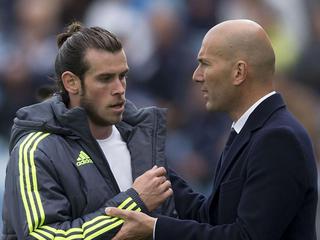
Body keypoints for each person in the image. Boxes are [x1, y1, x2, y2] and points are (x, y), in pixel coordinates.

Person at [105, 19, 318, 240]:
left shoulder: (278, 139)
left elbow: (247, 237)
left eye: (205, 64)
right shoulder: (251, 130)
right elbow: (211, 218)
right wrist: (150, 165)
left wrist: (156, 229)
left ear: (239, 72)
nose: (196, 76)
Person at [1, 22, 175, 239]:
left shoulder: (142, 137)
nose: (119, 89)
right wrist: (134, 202)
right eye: (105, 79)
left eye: (123, 76)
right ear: (71, 83)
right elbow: (40, 237)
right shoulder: (36, 150)